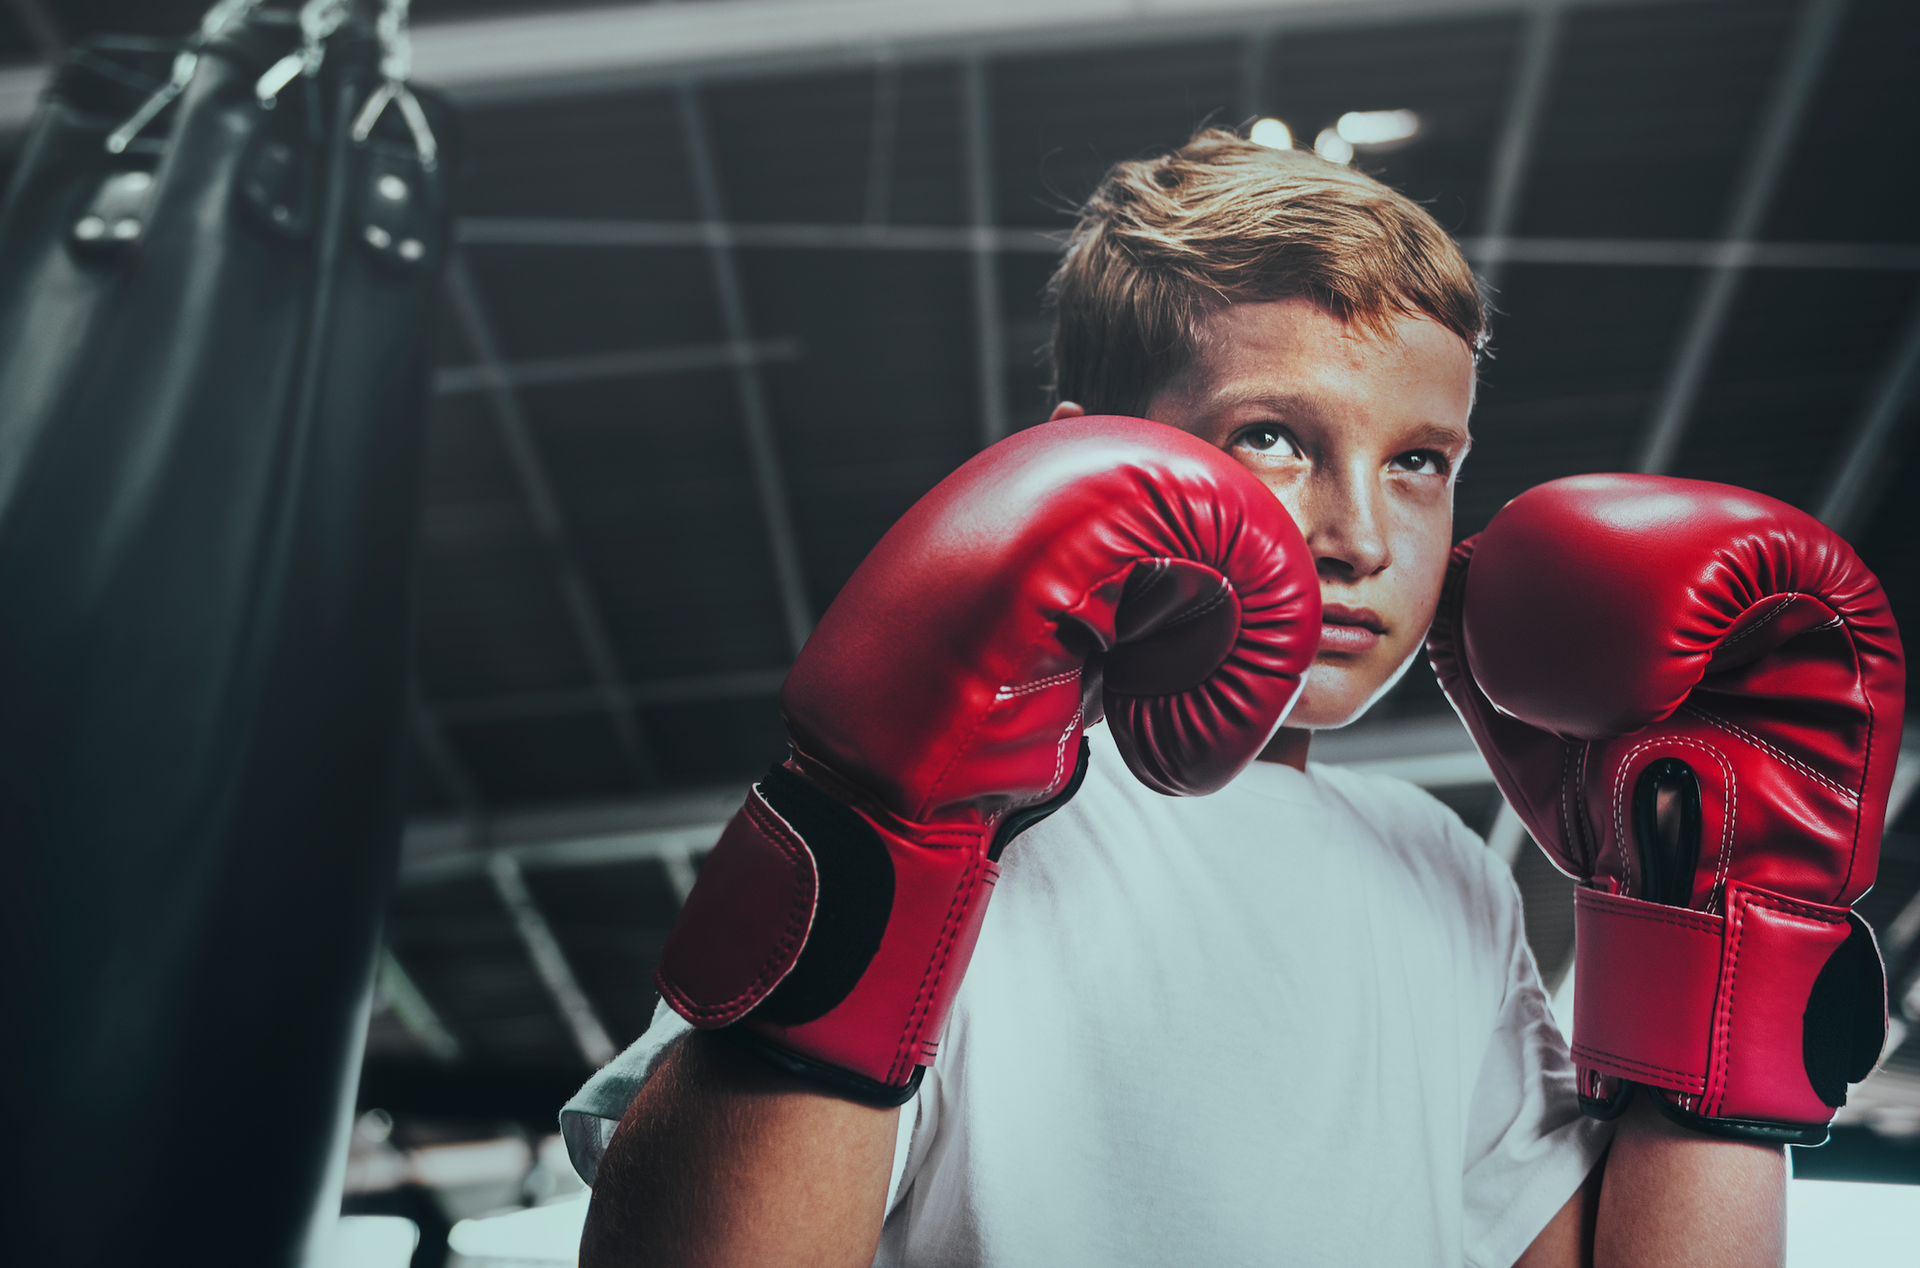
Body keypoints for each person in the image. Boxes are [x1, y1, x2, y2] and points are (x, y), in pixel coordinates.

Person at [563, 129, 1799, 1267]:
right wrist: (879, 819)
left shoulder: (1440, 869)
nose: (1362, 534)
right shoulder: (967, 814)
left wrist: (1736, 926)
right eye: (1273, 435)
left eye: (1419, 460)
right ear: (1086, 459)